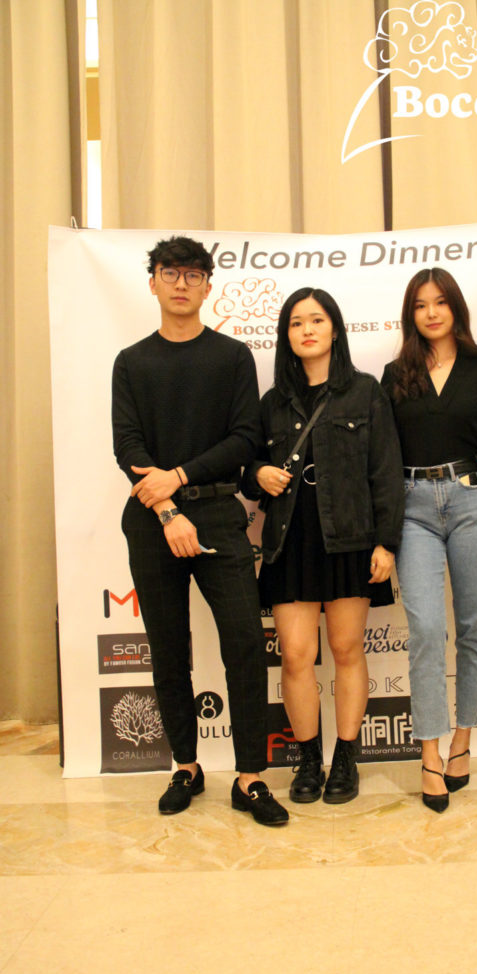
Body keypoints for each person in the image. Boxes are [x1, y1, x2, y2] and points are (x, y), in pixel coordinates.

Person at [112, 235, 288, 826]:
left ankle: (250, 777)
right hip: (152, 521)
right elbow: (127, 446)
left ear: (208, 286)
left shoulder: (232, 357)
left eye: (193, 274)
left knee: (244, 643)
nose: (182, 283)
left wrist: (181, 477)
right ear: (154, 282)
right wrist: (167, 510)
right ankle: (185, 766)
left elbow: (244, 439)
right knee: (168, 649)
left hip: (217, 513)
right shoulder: (131, 362)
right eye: (171, 272)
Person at [242, 287, 404, 804]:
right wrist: (257, 474)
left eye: (316, 320)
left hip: (350, 537)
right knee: (295, 656)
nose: (307, 330)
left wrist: (387, 543)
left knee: (346, 649)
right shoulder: (271, 403)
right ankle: (308, 760)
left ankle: (346, 760)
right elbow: (245, 467)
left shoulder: (365, 391)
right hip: (289, 539)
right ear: (286, 336)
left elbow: (386, 472)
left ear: (335, 329)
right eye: (296, 323)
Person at [382, 268, 477, 813]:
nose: (431, 313)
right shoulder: (395, 374)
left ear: (455, 307)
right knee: (428, 630)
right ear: (411, 314)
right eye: (420, 305)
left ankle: (463, 741)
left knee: (474, 626)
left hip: (471, 500)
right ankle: (428, 753)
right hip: (412, 508)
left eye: (440, 302)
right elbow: (384, 455)